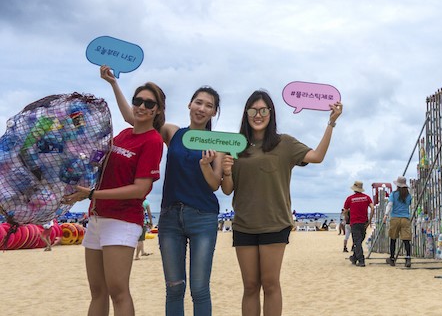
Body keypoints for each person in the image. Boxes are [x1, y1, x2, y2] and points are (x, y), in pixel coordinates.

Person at [103, 65, 224, 315]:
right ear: (189, 105)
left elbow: (215, 185)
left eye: (208, 105)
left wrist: (205, 165)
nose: (202, 108)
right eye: (198, 102)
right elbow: (134, 118)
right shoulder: (172, 132)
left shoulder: (218, 143)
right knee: (174, 288)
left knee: (200, 289)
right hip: (169, 217)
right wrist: (114, 84)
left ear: (214, 112)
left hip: (203, 218)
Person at [221, 90, 342, 315]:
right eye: (253, 110)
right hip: (243, 225)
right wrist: (226, 171)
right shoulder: (235, 145)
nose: (258, 115)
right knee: (249, 287)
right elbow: (227, 190)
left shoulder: (284, 143)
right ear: (245, 113)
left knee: (270, 284)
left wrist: (331, 123)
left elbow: (317, 156)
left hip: (275, 224)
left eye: (263, 110)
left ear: (271, 113)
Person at [64, 70, 166, 316]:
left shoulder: (152, 141)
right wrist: (113, 83)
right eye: (137, 100)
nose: (141, 106)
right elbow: (127, 115)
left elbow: (140, 189)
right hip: (97, 218)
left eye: (149, 103)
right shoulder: (123, 134)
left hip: (122, 221)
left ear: (157, 110)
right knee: (97, 291)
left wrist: (92, 194)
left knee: (118, 292)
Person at [383, 176, 413, 267]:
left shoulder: (394, 194)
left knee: (393, 238)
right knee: (406, 239)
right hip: (405, 218)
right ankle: (408, 258)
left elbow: (390, 205)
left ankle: (392, 258)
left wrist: (385, 215)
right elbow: (411, 206)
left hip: (395, 218)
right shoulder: (408, 195)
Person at [343, 181, 374, 267]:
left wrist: (347, 218)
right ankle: (354, 257)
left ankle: (361, 260)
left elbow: (345, 211)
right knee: (360, 240)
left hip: (354, 222)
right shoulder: (367, 197)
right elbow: (372, 208)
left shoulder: (350, 198)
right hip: (364, 222)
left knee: (357, 241)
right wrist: (370, 220)